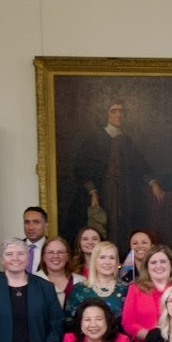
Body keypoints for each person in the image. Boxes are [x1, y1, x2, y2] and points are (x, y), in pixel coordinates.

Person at [71, 99, 167, 249]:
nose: (119, 115)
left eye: (121, 111)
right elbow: (82, 168)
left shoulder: (126, 140)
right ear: (106, 115)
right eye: (114, 111)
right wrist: (93, 191)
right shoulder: (95, 138)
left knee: (126, 223)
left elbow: (140, 164)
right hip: (105, 191)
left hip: (126, 191)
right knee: (108, 224)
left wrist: (152, 182)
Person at [64, 240, 129, 328]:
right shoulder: (79, 289)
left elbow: (131, 323)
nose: (107, 262)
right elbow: (69, 322)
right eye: (102, 257)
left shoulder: (126, 289)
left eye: (112, 258)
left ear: (117, 262)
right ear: (94, 261)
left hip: (119, 340)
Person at [37, 236, 85, 308]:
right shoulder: (33, 281)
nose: (55, 256)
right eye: (50, 252)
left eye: (60, 252)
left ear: (68, 256)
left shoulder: (82, 281)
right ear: (43, 257)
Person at [22, 207, 49, 275]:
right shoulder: (15, 247)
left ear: (46, 225)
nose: (30, 227)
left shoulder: (54, 248)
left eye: (36, 222)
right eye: (27, 222)